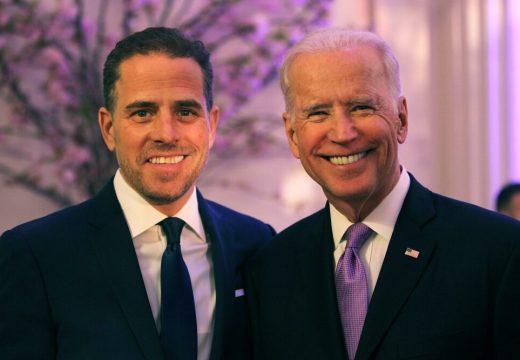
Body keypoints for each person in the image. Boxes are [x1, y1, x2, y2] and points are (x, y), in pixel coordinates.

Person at [0, 27, 275, 360]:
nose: (165, 133)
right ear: (109, 128)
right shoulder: (34, 255)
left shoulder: (256, 244)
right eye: (143, 113)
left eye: (185, 112)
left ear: (211, 125)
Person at [245, 27, 520, 360]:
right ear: (292, 136)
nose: (343, 133)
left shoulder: (499, 250)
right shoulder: (272, 267)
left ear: (401, 119)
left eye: (361, 107)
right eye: (318, 113)